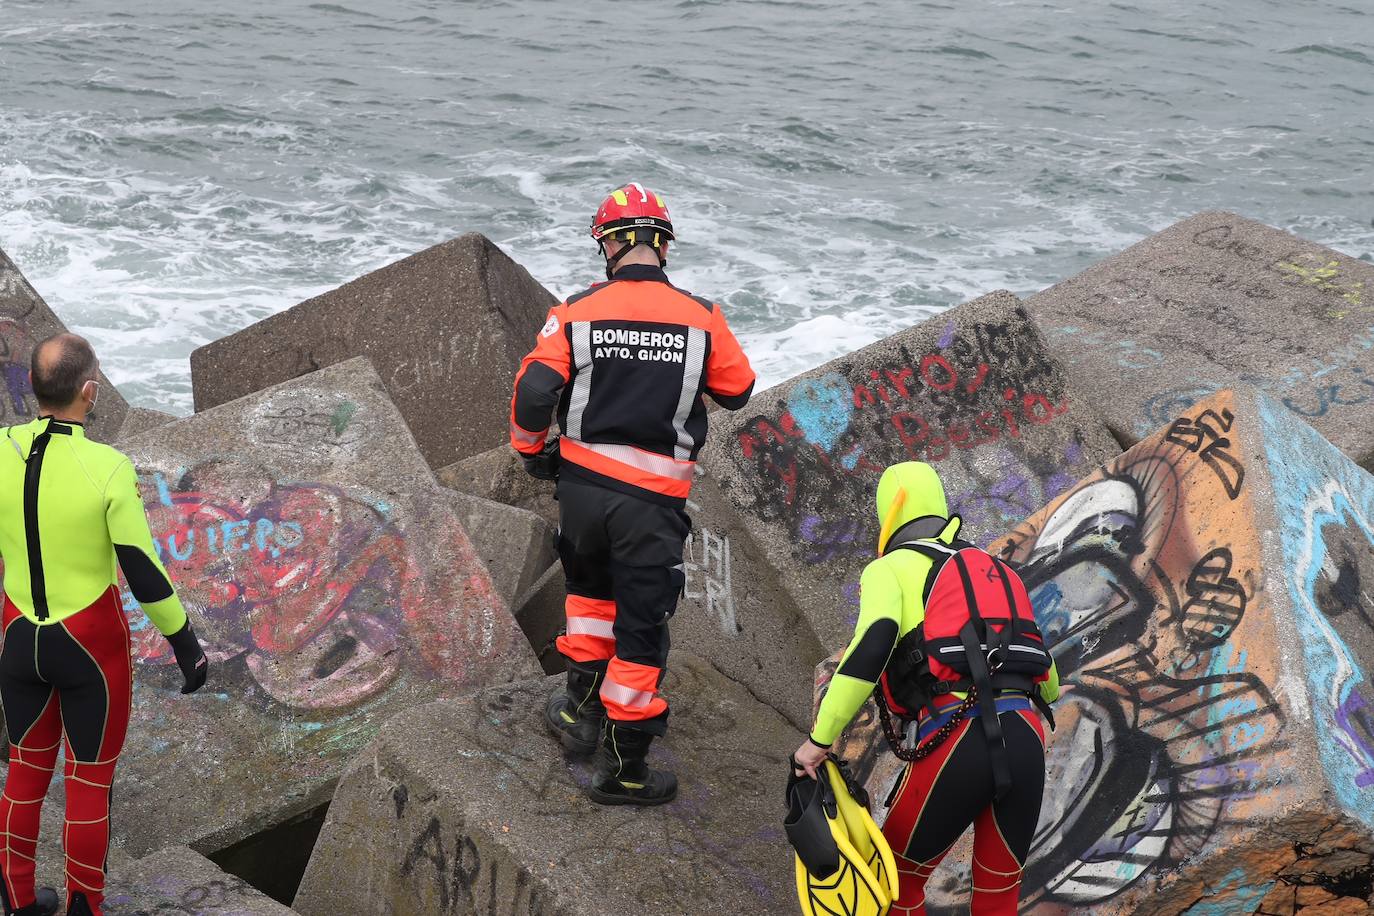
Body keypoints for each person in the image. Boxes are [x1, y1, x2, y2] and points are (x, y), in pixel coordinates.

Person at [510, 183, 756, 806]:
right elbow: (739, 388)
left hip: (583, 496)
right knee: (642, 632)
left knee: (589, 604)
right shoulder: (702, 316)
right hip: (650, 505)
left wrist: (532, 450)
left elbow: (535, 393)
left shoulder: (574, 311)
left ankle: (578, 717)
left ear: (609, 246)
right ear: (663, 246)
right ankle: (625, 771)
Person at [792, 461, 1059, 915]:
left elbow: (870, 649)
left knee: (894, 886)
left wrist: (820, 741)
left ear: (889, 513)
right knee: (998, 892)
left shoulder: (891, 569)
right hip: (1025, 737)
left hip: (957, 740)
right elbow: (1048, 683)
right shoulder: (998, 571)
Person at [0, 334, 208, 916]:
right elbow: (141, 569)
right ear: (90, 392)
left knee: (24, 769)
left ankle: (16, 900)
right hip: (89, 646)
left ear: (37, 389)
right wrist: (186, 645)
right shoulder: (108, 467)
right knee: (88, 783)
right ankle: (84, 907)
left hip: (20, 640)